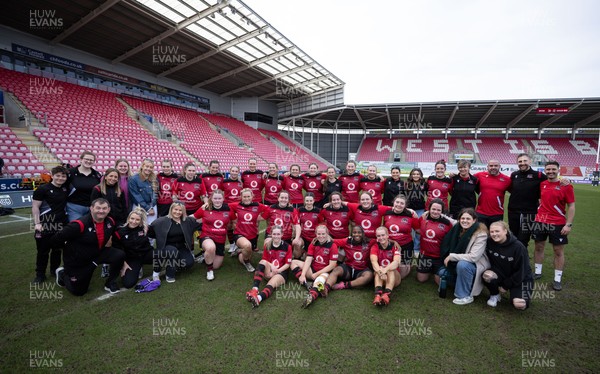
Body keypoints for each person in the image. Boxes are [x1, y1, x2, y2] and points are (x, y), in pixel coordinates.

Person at [54, 198, 125, 295]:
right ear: (91, 208)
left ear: (108, 209)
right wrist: (69, 252)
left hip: (98, 253)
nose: (101, 211)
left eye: (104, 208)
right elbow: (57, 238)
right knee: (79, 292)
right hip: (79, 260)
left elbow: (116, 235)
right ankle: (63, 274)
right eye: (98, 208)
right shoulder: (79, 224)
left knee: (119, 255)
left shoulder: (110, 221)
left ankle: (110, 283)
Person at [532, 161, 575, 291]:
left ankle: (557, 279)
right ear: (545, 170)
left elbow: (571, 206)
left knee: (558, 251)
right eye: (548, 169)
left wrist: (568, 224)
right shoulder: (542, 184)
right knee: (539, 247)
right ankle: (537, 272)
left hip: (558, 223)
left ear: (558, 170)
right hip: (540, 221)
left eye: (553, 169)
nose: (550, 171)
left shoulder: (566, 186)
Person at [440, 208, 489, 305]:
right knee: (442, 273)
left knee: (462, 265)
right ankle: (463, 284)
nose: (465, 221)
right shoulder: (458, 227)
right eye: (462, 218)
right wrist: (436, 213)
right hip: (460, 263)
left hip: (474, 265)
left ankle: (464, 295)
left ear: (474, 220)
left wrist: (452, 256)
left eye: (468, 219)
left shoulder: (480, 234)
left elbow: (473, 257)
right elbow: (451, 220)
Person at [483, 221, 534, 310]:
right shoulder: (489, 242)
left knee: (519, 305)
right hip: (502, 273)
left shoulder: (518, 247)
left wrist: (506, 285)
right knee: (487, 275)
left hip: (521, 278)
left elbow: (522, 271)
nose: (494, 234)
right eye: (492, 232)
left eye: (497, 231)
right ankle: (495, 294)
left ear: (505, 231)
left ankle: (518, 295)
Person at [31, 165, 69, 283]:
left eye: (63, 176)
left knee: (57, 250)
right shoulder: (42, 189)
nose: (60, 178)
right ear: (52, 176)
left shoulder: (65, 189)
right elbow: (35, 207)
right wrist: (37, 223)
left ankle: (54, 270)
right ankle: (40, 274)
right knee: (43, 251)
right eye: (57, 176)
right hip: (45, 225)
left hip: (61, 224)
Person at [147, 202, 201, 283]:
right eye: (175, 209)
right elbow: (150, 232)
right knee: (172, 251)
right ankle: (167, 274)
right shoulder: (160, 221)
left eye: (180, 210)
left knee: (189, 263)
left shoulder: (187, 221)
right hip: (166, 246)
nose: (178, 212)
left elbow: (202, 224)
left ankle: (174, 264)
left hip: (181, 246)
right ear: (171, 209)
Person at [190, 190, 234, 281]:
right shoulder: (205, 208)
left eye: (219, 198)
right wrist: (180, 217)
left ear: (223, 199)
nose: (217, 200)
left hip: (221, 240)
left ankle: (205, 256)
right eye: (215, 198)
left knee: (216, 266)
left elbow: (235, 221)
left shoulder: (228, 209)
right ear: (211, 199)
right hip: (207, 236)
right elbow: (193, 217)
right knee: (210, 248)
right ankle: (209, 271)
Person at [291, 225, 339, 308]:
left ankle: (311, 297)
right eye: (319, 234)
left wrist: (317, 274)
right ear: (316, 234)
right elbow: (308, 260)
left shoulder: (332, 246)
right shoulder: (313, 244)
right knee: (293, 262)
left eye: (323, 234)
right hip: (313, 270)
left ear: (327, 233)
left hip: (324, 272)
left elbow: (332, 265)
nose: (321, 236)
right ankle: (306, 283)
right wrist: (302, 274)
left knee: (319, 281)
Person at [245, 226, 292, 308]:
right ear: (271, 234)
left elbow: (288, 264)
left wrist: (277, 270)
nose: (276, 236)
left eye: (278, 234)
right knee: (262, 262)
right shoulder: (267, 245)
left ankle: (259, 298)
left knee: (271, 284)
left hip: (281, 273)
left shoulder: (287, 246)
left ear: (282, 234)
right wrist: (272, 267)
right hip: (269, 271)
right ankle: (254, 290)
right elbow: (264, 260)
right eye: (274, 234)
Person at [113, 209, 160, 289]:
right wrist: (123, 264)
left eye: (137, 219)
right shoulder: (120, 231)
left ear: (141, 221)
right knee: (128, 283)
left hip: (147, 254)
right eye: (132, 218)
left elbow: (159, 236)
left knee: (161, 254)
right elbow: (116, 250)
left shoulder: (145, 228)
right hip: (132, 259)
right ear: (128, 218)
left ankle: (156, 275)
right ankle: (138, 268)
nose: (134, 221)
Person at [415, 198, 456, 285]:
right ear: (429, 209)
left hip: (439, 257)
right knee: (421, 279)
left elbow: (452, 238)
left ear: (442, 211)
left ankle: (436, 269)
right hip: (424, 255)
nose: (435, 212)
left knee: (439, 282)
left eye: (438, 210)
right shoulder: (423, 219)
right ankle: (428, 269)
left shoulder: (447, 223)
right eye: (433, 209)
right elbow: (417, 229)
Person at [229, 189, 269, 272]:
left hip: (253, 235)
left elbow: (268, 209)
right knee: (247, 246)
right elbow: (225, 207)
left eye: (248, 196)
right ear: (241, 197)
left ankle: (238, 251)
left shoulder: (257, 205)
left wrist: (261, 218)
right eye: (244, 197)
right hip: (239, 234)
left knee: (243, 256)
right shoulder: (236, 205)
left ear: (252, 197)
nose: (246, 198)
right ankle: (247, 263)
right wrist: (234, 218)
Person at [382, 195, 419, 279]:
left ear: (405, 206)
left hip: (406, 246)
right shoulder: (386, 213)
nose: (399, 205)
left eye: (402, 203)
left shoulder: (410, 214)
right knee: (387, 266)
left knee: (401, 275)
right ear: (393, 203)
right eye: (397, 202)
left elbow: (418, 230)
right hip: (390, 245)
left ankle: (408, 264)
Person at [327, 225, 374, 291]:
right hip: (348, 268)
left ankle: (345, 285)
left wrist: (393, 242)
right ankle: (326, 287)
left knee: (369, 276)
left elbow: (381, 240)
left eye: (359, 232)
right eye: (354, 232)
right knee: (336, 270)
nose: (357, 234)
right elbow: (332, 241)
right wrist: (320, 237)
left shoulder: (369, 242)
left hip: (361, 270)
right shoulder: (347, 241)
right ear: (351, 234)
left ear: (363, 233)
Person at [474, 159, 511, 228]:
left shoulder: (506, 179)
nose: (493, 167)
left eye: (495, 165)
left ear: (499, 166)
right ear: (487, 167)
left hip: (497, 214)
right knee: (480, 235)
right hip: (480, 213)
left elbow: (514, 192)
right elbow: (467, 178)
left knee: (495, 236)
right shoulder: (479, 175)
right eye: (491, 166)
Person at [370, 227, 401, 306]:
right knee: (378, 268)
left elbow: (396, 262)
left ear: (387, 235)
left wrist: (385, 270)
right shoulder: (374, 247)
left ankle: (387, 294)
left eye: (383, 235)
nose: (381, 238)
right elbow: (374, 262)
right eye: (378, 236)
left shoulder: (395, 247)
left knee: (390, 269)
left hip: (394, 278)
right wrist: (381, 272)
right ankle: (377, 295)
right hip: (381, 277)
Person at [66, 151, 102, 220]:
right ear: (81, 160)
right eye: (86, 159)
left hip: (91, 208)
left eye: (91, 160)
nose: (89, 161)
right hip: (74, 207)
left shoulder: (97, 174)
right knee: (76, 228)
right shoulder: (70, 172)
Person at [129, 158, 158, 225]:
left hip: (152, 206)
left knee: (151, 226)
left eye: (151, 167)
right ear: (142, 166)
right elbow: (136, 195)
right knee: (138, 225)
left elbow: (155, 193)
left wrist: (152, 206)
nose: (148, 169)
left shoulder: (154, 178)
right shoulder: (134, 179)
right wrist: (148, 208)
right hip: (139, 206)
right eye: (147, 166)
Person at [222, 165, 243, 255]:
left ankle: (239, 244)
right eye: (233, 171)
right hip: (228, 206)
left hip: (239, 206)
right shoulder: (224, 182)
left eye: (236, 171)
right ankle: (232, 244)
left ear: (238, 172)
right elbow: (221, 192)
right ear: (229, 171)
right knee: (229, 225)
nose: (234, 172)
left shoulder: (241, 182)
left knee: (239, 225)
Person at [294, 193, 321, 259]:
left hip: (314, 237)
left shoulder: (318, 211)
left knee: (308, 257)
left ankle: (305, 253)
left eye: (310, 201)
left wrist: (318, 236)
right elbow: (296, 224)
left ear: (313, 201)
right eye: (307, 201)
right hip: (303, 236)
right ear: (304, 201)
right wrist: (295, 236)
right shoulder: (299, 210)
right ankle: (297, 259)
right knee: (297, 244)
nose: (309, 203)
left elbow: (321, 224)